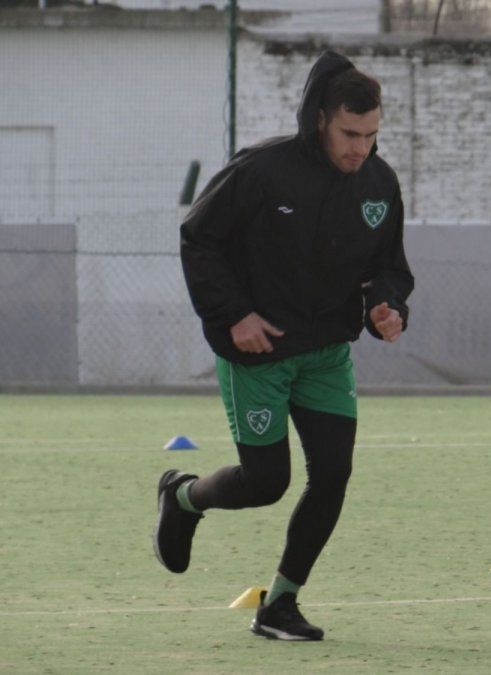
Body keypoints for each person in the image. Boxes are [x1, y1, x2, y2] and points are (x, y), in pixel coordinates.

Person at [154, 51, 414, 641]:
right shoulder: (263, 170)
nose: (360, 148)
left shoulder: (379, 181)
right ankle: (184, 497)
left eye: (372, 135)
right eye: (350, 134)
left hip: (327, 353)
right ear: (321, 119)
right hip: (259, 353)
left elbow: (388, 267)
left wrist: (387, 307)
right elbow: (199, 240)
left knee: (333, 475)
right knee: (266, 484)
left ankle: (281, 605)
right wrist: (234, 315)